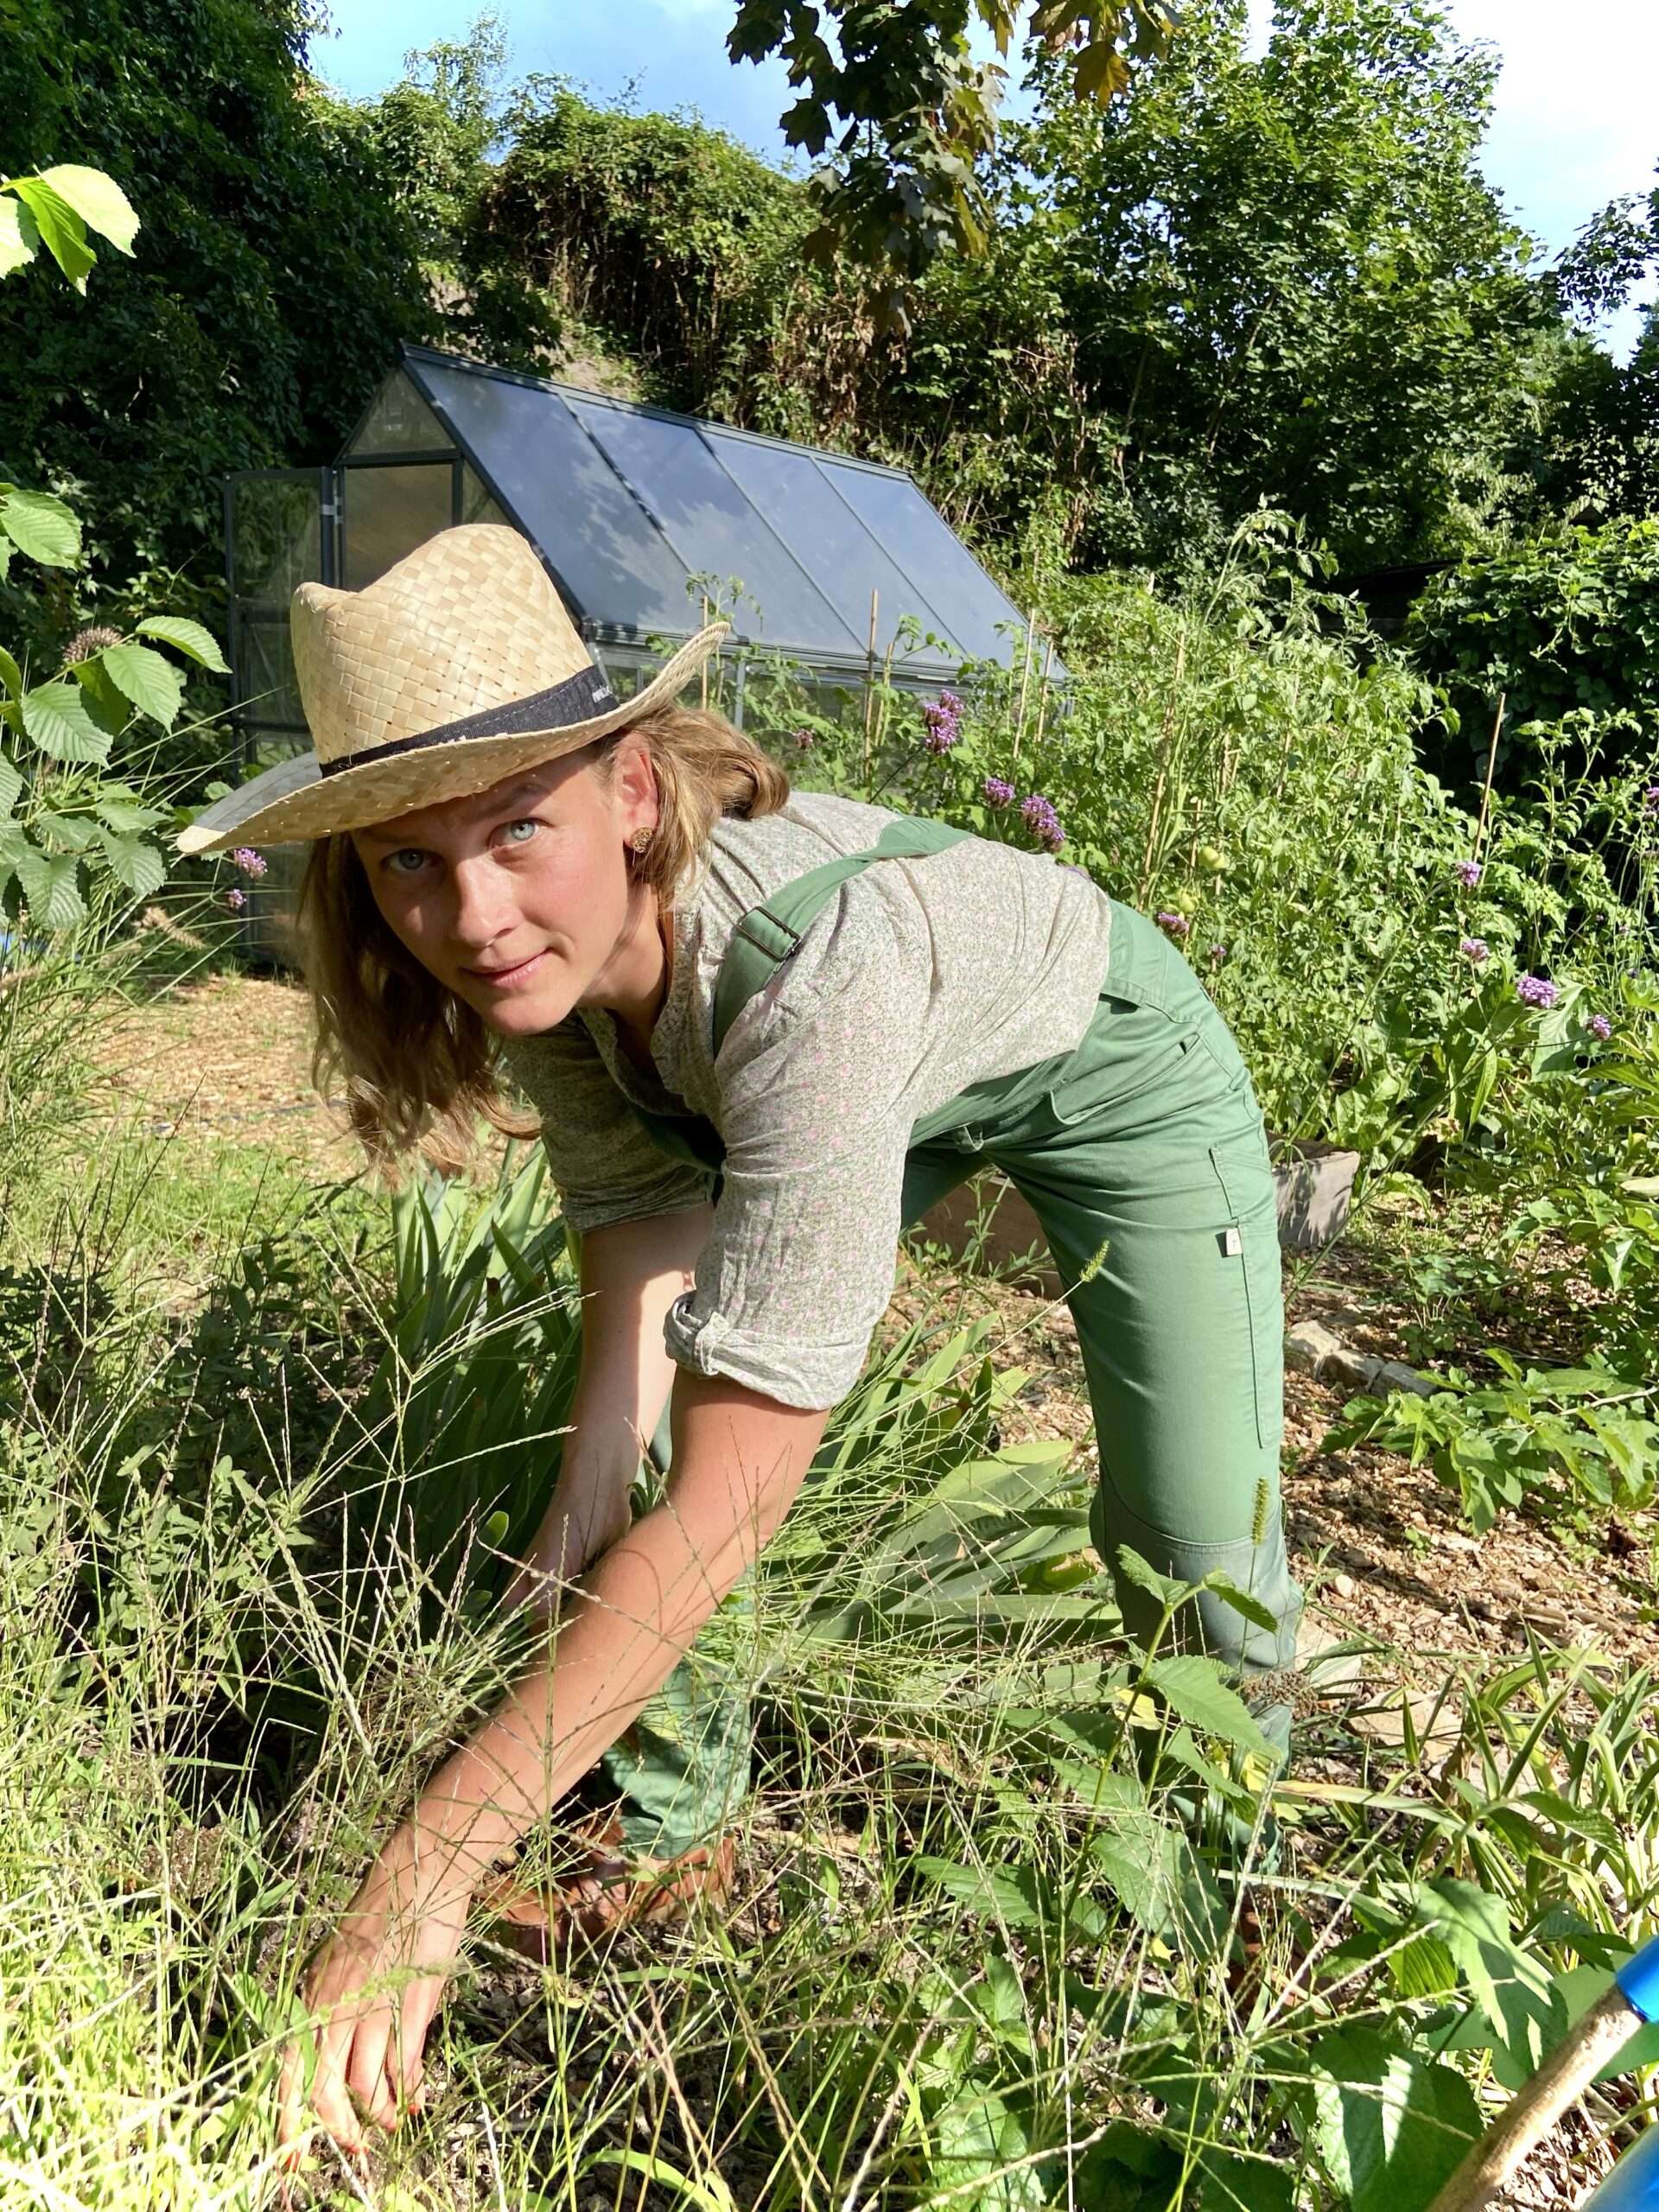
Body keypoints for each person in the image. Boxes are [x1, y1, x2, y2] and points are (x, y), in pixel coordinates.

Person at [178, 524, 1305, 2171]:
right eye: (411, 865)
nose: (470, 914)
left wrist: (429, 1862)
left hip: (1108, 1059)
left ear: (633, 792)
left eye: (516, 833)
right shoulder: (549, 975)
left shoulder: (817, 984)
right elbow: (640, 1260)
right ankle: (668, 1851)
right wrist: (576, 1512)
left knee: (1188, 1533)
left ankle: (1215, 1928)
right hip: (864, 1066)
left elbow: (730, 1504)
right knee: (639, 1503)